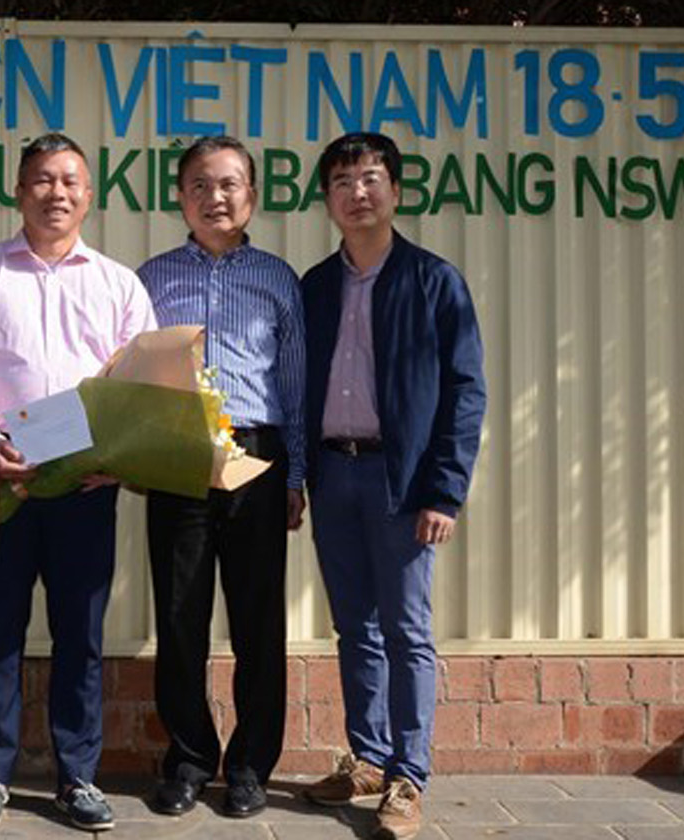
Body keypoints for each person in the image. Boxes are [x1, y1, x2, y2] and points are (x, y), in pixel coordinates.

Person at [0, 133, 157, 833]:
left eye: (69, 181)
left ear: (89, 195)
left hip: (87, 488)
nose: (55, 193)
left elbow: (142, 383)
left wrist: (116, 454)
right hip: (2, 485)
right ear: (18, 189)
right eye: (41, 180)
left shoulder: (118, 282)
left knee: (79, 637)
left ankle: (78, 776)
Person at [300, 132, 486, 840]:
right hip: (333, 471)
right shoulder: (316, 284)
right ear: (327, 199)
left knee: (407, 629)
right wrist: (299, 475)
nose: (357, 193)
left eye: (371, 178)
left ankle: (410, 774)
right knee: (355, 627)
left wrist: (445, 491)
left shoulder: (434, 280)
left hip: (401, 480)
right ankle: (367, 757)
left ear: (396, 190)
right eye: (343, 182)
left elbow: (466, 392)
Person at [137, 136, 305, 819]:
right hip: (177, 456)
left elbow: (293, 383)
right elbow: (130, 376)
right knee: (179, 618)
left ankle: (250, 764)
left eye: (231, 184)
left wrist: (296, 473)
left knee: (258, 621)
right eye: (201, 185)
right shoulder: (149, 278)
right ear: (180, 196)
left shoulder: (277, 278)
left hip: (257, 458)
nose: (216, 197)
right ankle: (188, 759)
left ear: (252, 196)